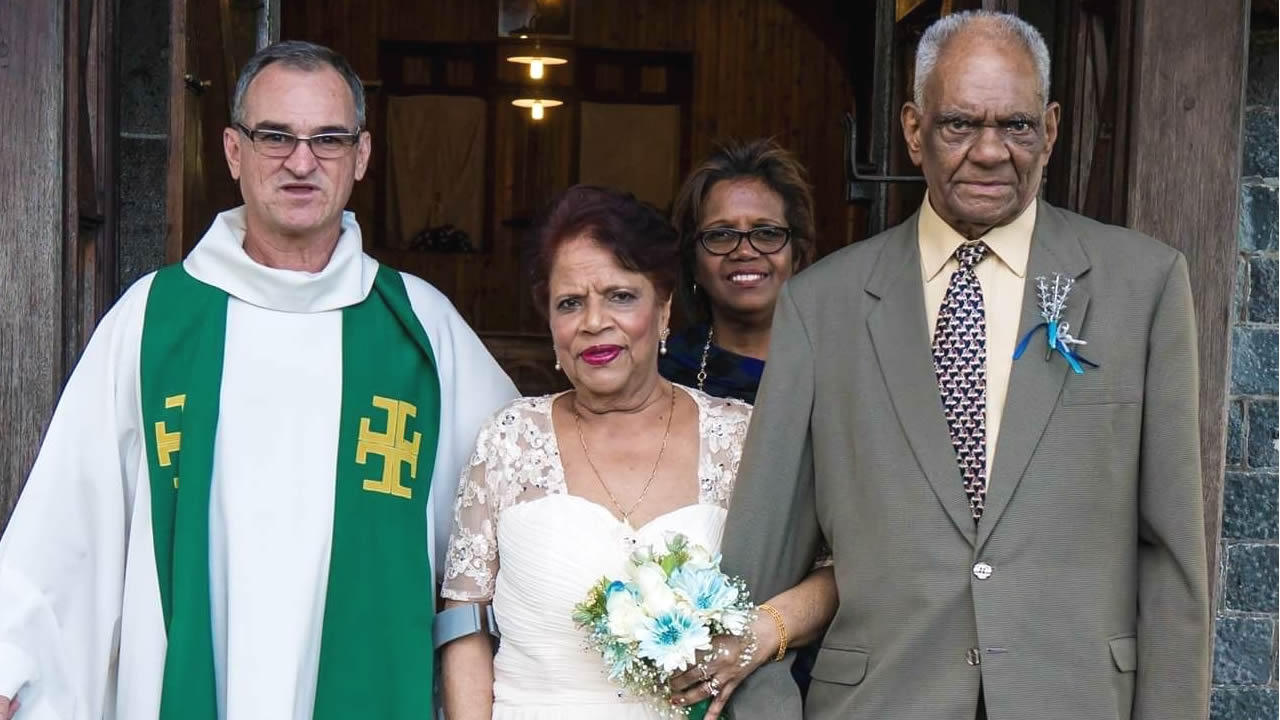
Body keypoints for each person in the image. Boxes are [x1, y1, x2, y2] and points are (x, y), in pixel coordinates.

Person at [0, 41, 516, 720]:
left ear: (361, 156)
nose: (301, 162)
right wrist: (13, 664)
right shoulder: (156, 320)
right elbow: (69, 517)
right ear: (233, 150)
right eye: (275, 136)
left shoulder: (421, 328)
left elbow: (526, 499)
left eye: (327, 139)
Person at [720, 11, 1209, 720]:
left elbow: (1172, 561)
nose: (990, 151)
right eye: (960, 125)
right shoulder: (820, 305)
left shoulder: (1144, 284)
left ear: (1052, 129)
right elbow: (752, 577)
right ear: (914, 131)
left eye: (1015, 125)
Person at [438, 185, 835, 719]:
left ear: (665, 308)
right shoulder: (509, 439)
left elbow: (837, 572)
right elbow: (465, 619)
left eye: (620, 296)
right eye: (570, 303)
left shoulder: (739, 437)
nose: (594, 321)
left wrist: (764, 631)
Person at [660, 138, 816, 404]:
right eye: (721, 234)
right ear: (693, 262)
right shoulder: (661, 378)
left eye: (767, 232)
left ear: (796, 255)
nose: (744, 251)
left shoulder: (836, 368)